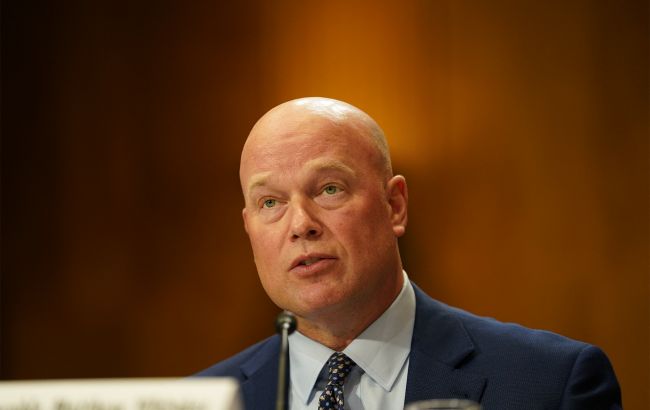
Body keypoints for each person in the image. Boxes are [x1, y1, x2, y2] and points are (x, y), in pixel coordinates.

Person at [196, 97, 622, 410]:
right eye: (270, 202)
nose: (300, 224)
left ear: (394, 205)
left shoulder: (550, 384)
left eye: (329, 189)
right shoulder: (203, 399)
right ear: (249, 227)